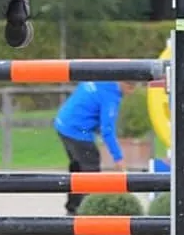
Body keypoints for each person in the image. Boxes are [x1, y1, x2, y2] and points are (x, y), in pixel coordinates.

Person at [53, 80, 137, 215]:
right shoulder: (111, 97)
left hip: (63, 123)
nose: (131, 93)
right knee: (90, 168)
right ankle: (89, 211)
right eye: (131, 88)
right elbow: (107, 130)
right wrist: (118, 157)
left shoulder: (99, 80)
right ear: (124, 84)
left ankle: (73, 208)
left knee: (77, 168)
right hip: (77, 129)